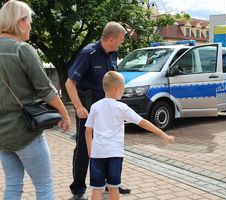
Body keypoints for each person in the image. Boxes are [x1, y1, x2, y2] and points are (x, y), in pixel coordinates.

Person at [0, 1, 71, 200]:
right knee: (44, 186)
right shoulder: (22, 50)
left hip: (2, 135)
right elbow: (46, 91)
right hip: (26, 131)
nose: (31, 26)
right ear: (20, 22)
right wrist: (65, 115)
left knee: (13, 184)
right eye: (29, 21)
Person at [85, 71, 175, 200]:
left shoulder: (95, 107)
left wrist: (90, 152)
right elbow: (142, 122)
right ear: (117, 89)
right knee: (113, 187)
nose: (124, 91)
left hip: (97, 153)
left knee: (97, 189)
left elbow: (88, 131)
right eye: (123, 88)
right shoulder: (122, 107)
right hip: (115, 154)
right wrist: (161, 133)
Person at [65, 21, 127, 200]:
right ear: (111, 39)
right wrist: (78, 107)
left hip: (108, 110)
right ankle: (78, 189)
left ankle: (110, 184)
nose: (121, 42)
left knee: (109, 146)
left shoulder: (113, 54)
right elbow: (70, 84)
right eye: (121, 39)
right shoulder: (88, 54)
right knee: (84, 149)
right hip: (89, 108)